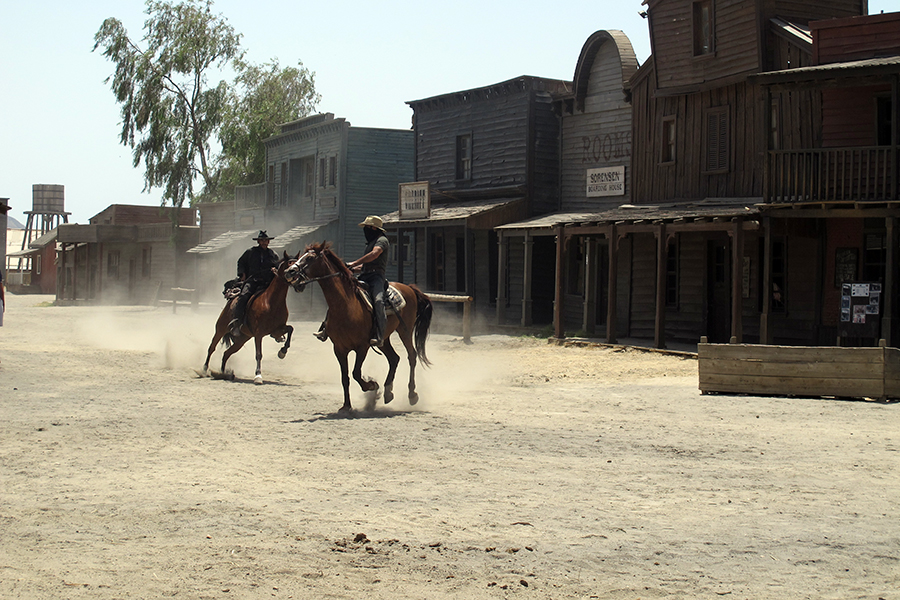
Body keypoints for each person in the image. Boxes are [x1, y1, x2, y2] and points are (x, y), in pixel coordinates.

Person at [313, 216, 390, 346]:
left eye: (367, 227)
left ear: (373, 228)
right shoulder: (370, 242)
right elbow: (366, 266)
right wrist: (351, 269)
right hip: (365, 275)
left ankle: (379, 335)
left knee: (378, 301)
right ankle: (326, 327)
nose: (365, 230)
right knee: (341, 296)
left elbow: (374, 255)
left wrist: (354, 263)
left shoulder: (382, 240)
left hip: (376, 278)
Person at [229, 231, 280, 337]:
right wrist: (242, 274)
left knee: (277, 299)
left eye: (266, 240)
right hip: (253, 281)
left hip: (266, 283)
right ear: (258, 241)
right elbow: (241, 262)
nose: (264, 242)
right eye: (262, 240)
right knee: (243, 297)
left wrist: (275, 270)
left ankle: (277, 327)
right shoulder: (251, 252)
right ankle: (237, 323)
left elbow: (278, 267)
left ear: (269, 242)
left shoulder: (273, 255)